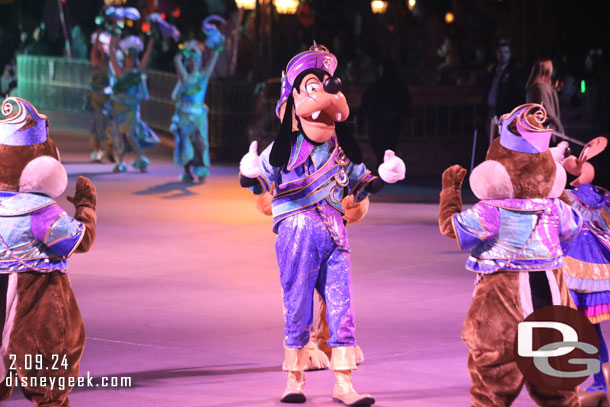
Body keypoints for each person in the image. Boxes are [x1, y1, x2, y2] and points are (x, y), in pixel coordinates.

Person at [239, 43, 406, 405]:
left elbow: (361, 183)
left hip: (335, 236)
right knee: (297, 306)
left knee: (342, 308)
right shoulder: (281, 151)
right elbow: (261, 180)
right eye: (313, 86)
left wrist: (384, 176)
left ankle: (343, 384)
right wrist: (249, 174)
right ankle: (294, 380)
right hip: (295, 235)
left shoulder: (341, 152)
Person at [171, 38, 222, 182]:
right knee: (185, 144)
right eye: (192, 60)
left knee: (199, 143)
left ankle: (200, 169)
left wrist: (216, 52)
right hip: (184, 117)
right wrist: (179, 59)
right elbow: (175, 95)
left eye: (196, 60)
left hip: (199, 117)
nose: (194, 63)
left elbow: (211, 64)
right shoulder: (184, 79)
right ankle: (187, 171)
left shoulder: (203, 77)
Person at [108, 34, 159, 173]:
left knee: (130, 134)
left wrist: (151, 42)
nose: (130, 58)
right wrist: (114, 35)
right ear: (125, 57)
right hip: (118, 108)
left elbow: (147, 56)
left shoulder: (138, 73)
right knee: (118, 135)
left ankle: (141, 158)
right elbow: (111, 52)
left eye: (133, 56)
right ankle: (120, 162)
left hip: (131, 108)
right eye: (128, 56)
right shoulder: (119, 72)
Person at [359, 59, 412, 167]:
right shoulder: (398, 85)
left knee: (381, 147)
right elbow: (406, 103)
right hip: (391, 121)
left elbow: (367, 103)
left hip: (380, 122)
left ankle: (383, 168)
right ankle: (386, 169)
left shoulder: (376, 85)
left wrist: (362, 117)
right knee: (390, 146)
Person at [482, 41, 525, 139]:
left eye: (506, 53)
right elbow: (485, 90)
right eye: (500, 52)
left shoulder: (514, 73)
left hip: (505, 112)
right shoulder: (492, 71)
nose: (503, 55)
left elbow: (518, 94)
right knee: (490, 140)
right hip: (490, 111)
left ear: (510, 54)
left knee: (503, 140)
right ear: (496, 54)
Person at [88, 31, 114, 163]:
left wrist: (105, 48)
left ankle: (109, 148)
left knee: (106, 123)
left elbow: (106, 57)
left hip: (106, 97)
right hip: (97, 98)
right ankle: (98, 150)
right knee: (97, 123)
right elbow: (94, 53)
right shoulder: (95, 60)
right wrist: (98, 33)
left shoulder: (107, 62)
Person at [526, 59, 564, 135]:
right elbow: (547, 110)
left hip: (539, 130)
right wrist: (560, 128)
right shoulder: (541, 87)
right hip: (544, 132)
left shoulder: (537, 87)